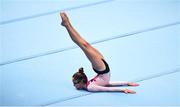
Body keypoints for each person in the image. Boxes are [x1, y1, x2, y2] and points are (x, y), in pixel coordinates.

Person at [60, 12, 139, 94]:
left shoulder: (90, 87)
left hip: (102, 69)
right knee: (84, 45)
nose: (73, 85)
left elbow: (107, 86)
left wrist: (125, 86)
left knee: (84, 45)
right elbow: (107, 86)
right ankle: (67, 24)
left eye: (74, 83)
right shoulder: (90, 87)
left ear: (81, 82)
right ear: (81, 83)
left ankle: (67, 24)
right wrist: (125, 85)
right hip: (102, 68)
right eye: (74, 83)